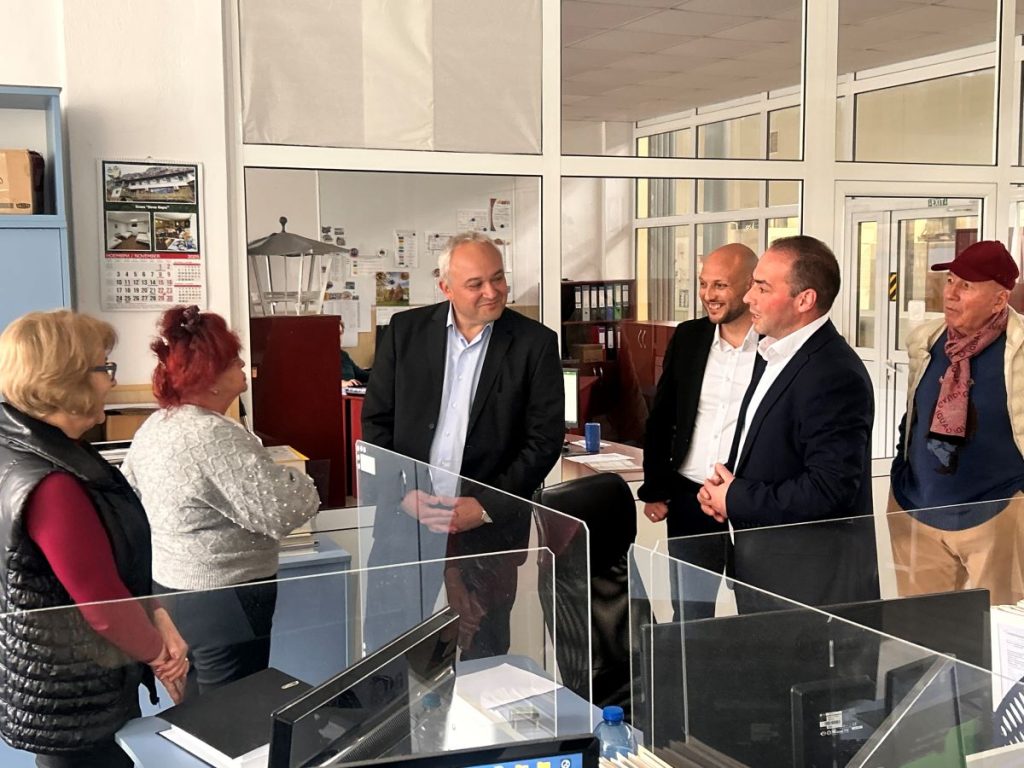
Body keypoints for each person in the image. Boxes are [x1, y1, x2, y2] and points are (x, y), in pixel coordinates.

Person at [0, 310, 188, 768]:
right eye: (105, 367)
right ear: (65, 380)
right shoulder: (52, 482)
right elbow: (101, 601)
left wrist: (157, 614)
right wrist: (161, 656)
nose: (112, 380)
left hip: (71, 678)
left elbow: (115, 559)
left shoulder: (36, 448)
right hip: (73, 693)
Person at [362, 231, 563, 657]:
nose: (492, 291)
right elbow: (377, 423)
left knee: (483, 655)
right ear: (446, 287)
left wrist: (487, 505)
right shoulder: (405, 332)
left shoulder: (535, 343)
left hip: (487, 532)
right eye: (476, 284)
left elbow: (543, 442)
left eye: (498, 278)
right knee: (389, 655)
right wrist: (403, 495)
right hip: (406, 523)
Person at [122, 305, 320, 694]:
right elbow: (283, 511)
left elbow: (133, 493)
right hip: (224, 598)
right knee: (231, 710)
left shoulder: (158, 424)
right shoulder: (214, 436)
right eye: (233, 360)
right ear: (209, 378)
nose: (243, 365)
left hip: (171, 590)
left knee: (197, 706)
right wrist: (302, 481)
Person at [698, 235, 879, 610]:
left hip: (810, 589)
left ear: (805, 300)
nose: (749, 298)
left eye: (762, 288)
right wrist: (724, 489)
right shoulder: (772, 354)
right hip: (764, 570)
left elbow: (829, 488)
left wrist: (736, 498)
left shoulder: (833, 374)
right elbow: (770, 446)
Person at [889, 240, 1024, 605]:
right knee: (922, 628)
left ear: (999, 299)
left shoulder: (1019, 348)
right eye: (950, 280)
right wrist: (901, 469)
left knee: (999, 627)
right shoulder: (926, 340)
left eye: (966, 286)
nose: (950, 294)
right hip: (917, 509)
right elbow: (914, 412)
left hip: (997, 514)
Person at [639, 243, 758, 620]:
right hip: (690, 496)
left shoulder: (774, 345)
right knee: (690, 615)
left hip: (753, 498)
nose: (708, 295)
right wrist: (655, 487)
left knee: (759, 612)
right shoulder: (690, 337)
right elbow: (662, 416)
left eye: (720, 285)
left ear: (750, 286)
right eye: (704, 284)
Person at [339, 318, 370, 387]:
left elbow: (360, 374)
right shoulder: (318, 358)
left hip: (349, 392)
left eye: (340, 333)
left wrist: (383, 373)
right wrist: (341, 383)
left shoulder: (343, 355)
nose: (339, 337)